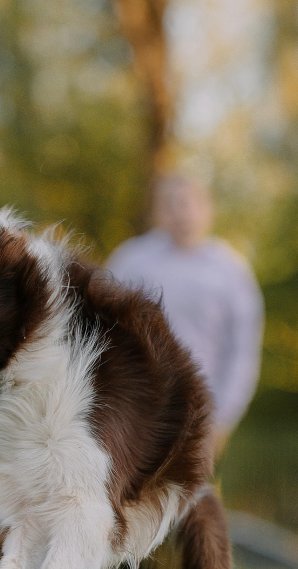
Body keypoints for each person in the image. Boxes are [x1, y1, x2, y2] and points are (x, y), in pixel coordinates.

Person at [107, 174, 264, 456]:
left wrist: (223, 419)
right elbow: (104, 327)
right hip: (134, 412)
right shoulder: (130, 261)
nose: (180, 212)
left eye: (188, 203)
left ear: (208, 208)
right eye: (170, 204)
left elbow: (242, 352)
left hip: (199, 417)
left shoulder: (231, 273)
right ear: (157, 211)